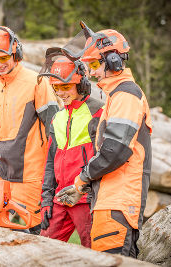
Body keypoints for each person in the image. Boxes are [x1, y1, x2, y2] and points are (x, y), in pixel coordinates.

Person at [56, 27, 152, 257]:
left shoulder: (126, 95)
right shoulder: (115, 96)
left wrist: (81, 179)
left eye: (96, 66)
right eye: (90, 67)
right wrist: (83, 187)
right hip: (109, 201)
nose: (92, 73)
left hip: (119, 203)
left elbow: (114, 151)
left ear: (113, 61)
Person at [0, 26, 59, 234]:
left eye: (3, 58)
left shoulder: (36, 82)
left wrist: (53, 177)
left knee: (33, 238)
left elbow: (56, 131)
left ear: (15, 52)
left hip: (31, 177)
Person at [37, 49, 103, 247]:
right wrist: (47, 199)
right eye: (56, 87)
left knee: (93, 252)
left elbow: (105, 157)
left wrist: (91, 193)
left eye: (66, 86)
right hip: (60, 198)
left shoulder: (97, 112)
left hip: (85, 197)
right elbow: (50, 162)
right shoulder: (58, 117)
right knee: (43, 248)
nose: (61, 93)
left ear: (81, 84)